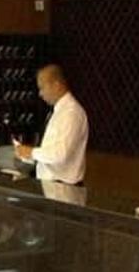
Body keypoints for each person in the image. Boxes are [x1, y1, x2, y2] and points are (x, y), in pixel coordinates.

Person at [14, 64, 88, 201]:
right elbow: (51, 151)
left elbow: (60, 154)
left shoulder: (71, 113)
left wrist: (31, 152)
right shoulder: (58, 112)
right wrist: (27, 155)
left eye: (42, 87)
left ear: (56, 85)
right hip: (53, 189)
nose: (40, 94)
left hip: (65, 192)